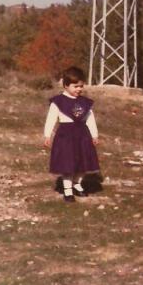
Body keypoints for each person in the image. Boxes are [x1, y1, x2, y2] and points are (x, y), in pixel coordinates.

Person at [43, 66, 100, 202]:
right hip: (66, 137)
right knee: (67, 164)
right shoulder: (58, 102)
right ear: (66, 85)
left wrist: (94, 135)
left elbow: (90, 119)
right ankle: (68, 190)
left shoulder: (85, 103)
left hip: (82, 136)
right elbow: (51, 119)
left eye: (81, 86)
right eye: (75, 86)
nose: (79, 89)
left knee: (83, 163)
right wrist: (47, 135)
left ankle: (77, 184)